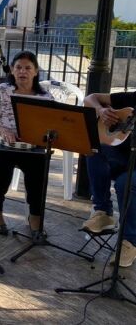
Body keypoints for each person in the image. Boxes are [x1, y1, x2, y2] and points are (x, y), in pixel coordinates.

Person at [0, 50, 52, 239]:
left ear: (36, 71)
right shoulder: (1, 91)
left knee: (40, 164)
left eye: (28, 68)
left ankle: (35, 216)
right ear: (11, 70)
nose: (22, 72)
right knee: (4, 158)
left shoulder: (45, 97)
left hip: (29, 145)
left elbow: (53, 126)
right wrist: (3, 130)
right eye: (18, 67)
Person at [81, 89, 136, 267]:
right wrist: (101, 110)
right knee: (94, 148)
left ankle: (130, 242)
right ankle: (103, 212)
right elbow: (90, 98)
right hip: (124, 159)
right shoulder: (131, 97)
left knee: (124, 183)